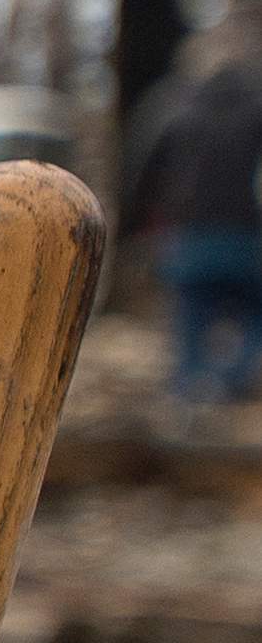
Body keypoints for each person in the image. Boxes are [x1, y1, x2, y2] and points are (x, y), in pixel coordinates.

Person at [124, 37, 262, 403]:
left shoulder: (176, 109)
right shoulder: (256, 110)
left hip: (188, 233)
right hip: (245, 233)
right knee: (254, 311)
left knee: (189, 316)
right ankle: (232, 377)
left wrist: (138, 223)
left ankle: (189, 391)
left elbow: (146, 171)